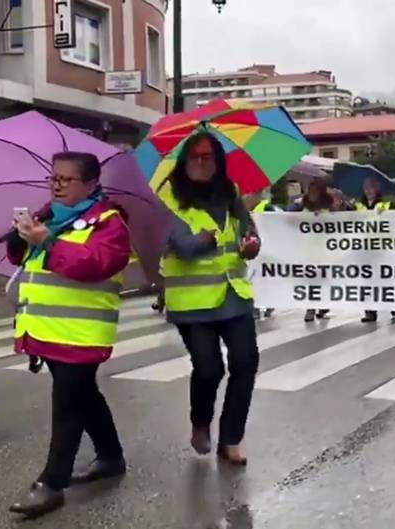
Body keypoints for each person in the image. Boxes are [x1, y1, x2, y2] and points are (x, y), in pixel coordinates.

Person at [6, 152, 130, 516]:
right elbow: (20, 259)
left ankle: (51, 483)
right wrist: (20, 236)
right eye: (53, 178)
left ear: (91, 184)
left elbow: (95, 264)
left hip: (82, 332)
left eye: (66, 179)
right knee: (84, 396)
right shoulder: (48, 216)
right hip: (48, 329)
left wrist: (47, 241)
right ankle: (110, 456)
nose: (56, 185)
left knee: (67, 404)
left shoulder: (109, 222)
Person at [159, 132, 261, 466]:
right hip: (193, 302)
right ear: (184, 161)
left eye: (208, 158)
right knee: (209, 369)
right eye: (195, 158)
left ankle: (231, 438)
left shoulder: (229, 193)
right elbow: (184, 246)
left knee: (245, 362)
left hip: (234, 293)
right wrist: (205, 238)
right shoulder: (167, 197)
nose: (202, 164)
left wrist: (251, 245)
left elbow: (249, 233)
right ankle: (200, 422)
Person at [356, 177, 395, 324]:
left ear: (377, 189)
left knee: (384, 280)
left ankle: (392, 305)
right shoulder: (358, 205)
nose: (368, 191)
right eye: (366, 189)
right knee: (367, 281)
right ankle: (370, 312)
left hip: (382, 248)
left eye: (371, 188)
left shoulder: (385, 204)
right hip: (365, 248)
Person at [290, 178, 333, 322]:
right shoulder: (301, 205)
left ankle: (322, 305)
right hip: (306, 251)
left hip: (325, 251)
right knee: (310, 280)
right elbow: (288, 217)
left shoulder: (329, 206)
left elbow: (340, 222)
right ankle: (311, 308)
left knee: (322, 280)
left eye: (316, 191)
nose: (313, 194)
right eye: (311, 191)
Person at [250, 180, 288, 319]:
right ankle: (256, 305)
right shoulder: (242, 208)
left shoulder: (268, 208)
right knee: (253, 278)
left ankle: (264, 303)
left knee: (261, 278)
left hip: (266, 249)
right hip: (253, 248)